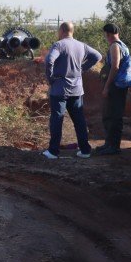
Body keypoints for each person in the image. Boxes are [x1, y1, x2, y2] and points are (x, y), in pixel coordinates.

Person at [43, 21, 102, 159]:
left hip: (59, 90)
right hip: (76, 89)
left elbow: (49, 61)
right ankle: (85, 150)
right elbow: (98, 56)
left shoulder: (59, 45)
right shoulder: (82, 46)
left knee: (57, 119)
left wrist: (50, 79)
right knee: (79, 120)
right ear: (72, 31)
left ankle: (53, 151)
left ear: (62, 31)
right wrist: (82, 68)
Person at [96, 23, 131, 155]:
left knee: (114, 116)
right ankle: (109, 144)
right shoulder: (122, 45)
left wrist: (106, 87)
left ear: (107, 34)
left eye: (105, 34)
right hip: (119, 85)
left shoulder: (115, 46)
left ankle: (113, 146)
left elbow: (115, 67)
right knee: (111, 115)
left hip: (116, 86)